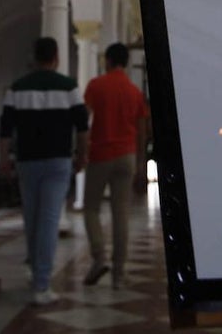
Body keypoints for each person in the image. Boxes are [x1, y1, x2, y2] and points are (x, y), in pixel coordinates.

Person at [0, 37, 88, 305]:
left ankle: (35, 270)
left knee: (31, 217)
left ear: (35, 57)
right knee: (48, 219)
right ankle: (42, 283)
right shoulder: (69, 87)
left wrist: (4, 159)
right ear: (56, 57)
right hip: (58, 161)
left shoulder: (17, 88)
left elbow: (5, 129)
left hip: (27, 161)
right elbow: (82, 127)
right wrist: (83, 155)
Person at [82, 42, 148, 289]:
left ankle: (99, 257)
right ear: (127, 63)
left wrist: (82, 148)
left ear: (108, 60)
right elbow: (142, 132)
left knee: (91, 208)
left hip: (100, 154)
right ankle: (119, 274)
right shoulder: (134, 92)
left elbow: (84, 118)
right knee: (121, 214)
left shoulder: (96, 86)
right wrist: (140, 164)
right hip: (127, 155)